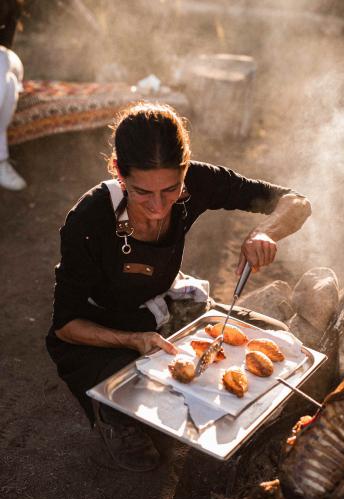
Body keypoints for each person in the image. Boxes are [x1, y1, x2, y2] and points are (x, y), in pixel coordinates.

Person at [46, 102, 311, 471]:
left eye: (171, 189)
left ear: (185, 170)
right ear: (119, 173)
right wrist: (134, 340)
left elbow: (296, 202)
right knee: (137, 415)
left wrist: (266, 231)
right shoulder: (89, 219)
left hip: (162, 303)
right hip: (102, 328)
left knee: (275, 336)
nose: (157, 206)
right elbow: (65, 326)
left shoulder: (198, 183)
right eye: (141, 192)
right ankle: (112, 416)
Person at [0, 0, 26, 191]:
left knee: (3, 68)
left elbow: (5, 42)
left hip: (3, 58)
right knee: (8, 85)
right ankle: (1, 159)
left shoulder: (10, 4)